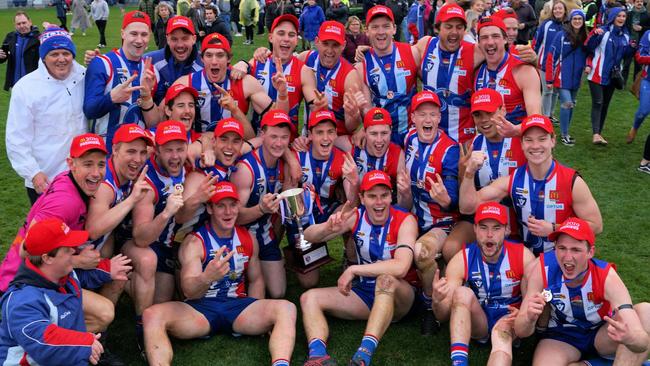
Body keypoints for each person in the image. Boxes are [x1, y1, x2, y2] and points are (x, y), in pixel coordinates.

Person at [0, 133, 127, 366]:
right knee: (97, 313)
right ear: (71, 164)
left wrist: (106, 268)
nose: (97, 172)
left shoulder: (70, 180)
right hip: (24, 281)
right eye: (88, 164)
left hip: (46, 273)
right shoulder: (65, 202)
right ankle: (85, 347)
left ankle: (88, 347)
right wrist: (79, 261)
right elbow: (28, 250)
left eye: (100, 164)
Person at [142, 182, 297, 366]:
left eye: (232, 205)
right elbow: (189, 291)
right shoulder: (194, 242)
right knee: (152, 314)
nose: (228, 212)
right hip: (201, 309)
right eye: (220, 206)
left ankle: (281, 364)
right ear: (209, 208)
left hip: (238, 307)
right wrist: (207, 277)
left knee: (287, 308)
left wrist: (257, 311)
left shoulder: (249, 238)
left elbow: (256, 280)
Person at [300, 170, 418, 365]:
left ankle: (362, 356)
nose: (379, 202)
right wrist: (327, 228)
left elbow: (401, 267)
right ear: (362, 199)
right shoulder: (356, 216)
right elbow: (309, 236)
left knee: (386, 279)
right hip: (366, 293)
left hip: (401, 295)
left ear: (391, 196)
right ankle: (317, 355)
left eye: (384, 195)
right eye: (372, 196)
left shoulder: (405, 219)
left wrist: (353, 270)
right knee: (309, 297)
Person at [459, 114, 603, 255]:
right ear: (521, 144)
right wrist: (469, 172)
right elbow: (467, 207)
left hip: (564, 260)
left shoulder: (572, 182)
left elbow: (596, 226)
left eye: (542, 139)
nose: (535, 146)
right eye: (529, 140)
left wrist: (555, 229)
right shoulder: (512, 180)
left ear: (553, 141)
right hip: (526, 259)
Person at [514, 217, 650, 365]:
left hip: (601, 334)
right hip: (562, 337)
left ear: (590, 252)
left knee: (646, 312)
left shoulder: (607, 277)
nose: (567, 257)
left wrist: (631, 339)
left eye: (576, 250)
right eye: (562, 248)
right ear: (555, 248)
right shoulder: (542, 270)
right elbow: (521, 331)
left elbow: (641, 341)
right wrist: (529, 318)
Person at [0, 218, 131, 366]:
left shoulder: (61, 274)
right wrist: (85, 343)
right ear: (48, 258)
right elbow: (43, 342)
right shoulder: (22, 301)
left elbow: (82, 277)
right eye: (67, 248)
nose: (74, 251)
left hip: (67, 357)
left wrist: (107, 270)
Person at [431, 201, 534, 366]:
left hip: (509, 320)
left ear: (507, 230)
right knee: (461, 293)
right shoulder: (462, 258)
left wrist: (522, 314)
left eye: (496, 228)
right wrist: (437, 301)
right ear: (475, 229)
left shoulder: (523, 256)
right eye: (483, 227)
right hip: (480, 321)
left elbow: (533, 298)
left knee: (502, 337)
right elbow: (442, 315)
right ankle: (458, 363)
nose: (489, 235)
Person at [396, 91, 459, 335]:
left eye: (433, 114)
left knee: (421, 252)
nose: (428, 119)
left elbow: (453, 202)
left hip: (440, 223)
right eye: (422, 114)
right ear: (413, 118)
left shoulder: (449, 149)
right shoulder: (409, 138)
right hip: (413, 217)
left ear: (439, 118)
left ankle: (430, 308)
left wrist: (446, 200)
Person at [6, 27, 86, 205]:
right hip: (45, 179)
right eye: (54, 54)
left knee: (84, 230)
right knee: (50, 230)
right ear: (43, 57)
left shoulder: (83, 77)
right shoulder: (26, 88)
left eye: (66, 53)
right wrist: (33, 172)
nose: (61, 59)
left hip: (83, 175)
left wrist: (96, 62)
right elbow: (16, 138)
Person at [85, 124, 154, 305]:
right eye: (131, 151)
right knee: (118, 270)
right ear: (115, 150)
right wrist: (131, 200)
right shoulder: (105, 186)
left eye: (142, 152)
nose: (138, 159)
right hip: (72, 259)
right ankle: (97, 322)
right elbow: (93, 230)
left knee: (119, 266)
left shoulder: (122, 175)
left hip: (89, 251)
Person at [230, 110, 295, 299]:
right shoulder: (245, 169)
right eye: (273, 136)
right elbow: (234, 217)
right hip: (240, 234)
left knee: (278, 291)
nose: (279, 143)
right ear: (262, 135)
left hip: (264, 232)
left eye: (284, 137)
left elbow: (288, 209)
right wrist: (261, 209)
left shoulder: (285, 164)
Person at [174, 32, 282, 134]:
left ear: (229, 58)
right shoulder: (186, 83)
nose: (214, 61)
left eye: (220, 55)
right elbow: (164, 117)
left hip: (236, 149)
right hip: (200, 149)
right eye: (209, 55)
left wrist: (283, 94)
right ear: (202, 59)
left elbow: (277, 118)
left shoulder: (246, 83)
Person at [84, 10, 157, 149]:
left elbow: (153, 123)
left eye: (144, 34)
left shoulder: (151, 70)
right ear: (123, 33)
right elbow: (89, 111)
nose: (139, 40)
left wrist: (147, 98)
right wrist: (111, 98)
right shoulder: (103, 64)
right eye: (134, 34)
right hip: (106, 154)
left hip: (138, 156)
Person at [354, 5, 422, 145]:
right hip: (383, 139)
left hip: (414, 135)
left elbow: (428, 85)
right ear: (366, 31)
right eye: (375, 27)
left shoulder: (412, 52)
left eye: (386, 26)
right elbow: (367, 108)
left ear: (394, 29)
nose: (381, 32)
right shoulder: (362, 66)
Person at [474, 16, 542, 125]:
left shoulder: (524, 71)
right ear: (479, 42)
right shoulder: (476, 69)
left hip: (515, 139)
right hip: (485, 140)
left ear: (505, 39)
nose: (490, 42)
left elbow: (535, 120)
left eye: (495, 36)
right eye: (484, 37)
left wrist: (513, 131)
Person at [586, 7, 635, 145]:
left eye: (623, 16)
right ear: (613, 17)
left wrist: (631, 47)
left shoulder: (625, 36)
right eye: (618, 16)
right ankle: (595, 134)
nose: (621, 18)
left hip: (613, 76)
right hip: (597, 73)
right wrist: (595, 35)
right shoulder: (603, 32)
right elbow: (588, 47)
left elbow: (626, 56)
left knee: (605, 105)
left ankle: (598, 133)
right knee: (598, 102)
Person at [545, 9, 588, 146]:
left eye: (579, 19)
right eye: (574, 19)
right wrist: (549, 79)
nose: (577, 21)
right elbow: (551, 56)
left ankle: (566, 132)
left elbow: (591, 52)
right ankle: (564, 135)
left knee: (572, 105)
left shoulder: (585, 37)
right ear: (570, 20)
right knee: (567, 104)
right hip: (562, 77)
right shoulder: (561, 36)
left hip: (576, 78)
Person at [534, 0, 567, 122]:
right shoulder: (546, 24)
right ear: (552, 11)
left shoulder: (567, 26)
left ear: (564, 11)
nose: (557, 11)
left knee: (556, 91)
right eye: (555, 9)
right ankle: (545, 116)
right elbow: (536, 41)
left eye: (560, 9)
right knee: (547, 90)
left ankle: (551, 114)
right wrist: (533, 56)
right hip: (544, 63)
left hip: (560, 65)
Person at [0, 11, 40, 91]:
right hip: (15, 84)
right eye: (18, 24)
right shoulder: (10, 37)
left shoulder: (39, 38)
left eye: (24, 23)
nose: (21, 26)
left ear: (30, 22)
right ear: (15, 25)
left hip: (34, 84)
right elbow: (3, 57)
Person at [624, 0, 650, 83]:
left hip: (640, 43)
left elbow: (649, 29)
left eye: (641, 1)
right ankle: (622, 83)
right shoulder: (629, 14)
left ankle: (635, 84)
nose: (639, 3)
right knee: (626, 64)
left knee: (638, 66)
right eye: (638, 1)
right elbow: (624, 26)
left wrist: (642, 28)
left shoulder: (647, 15)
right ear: (634, 3)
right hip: (629, 43)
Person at [632, 28, 650, 143]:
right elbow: (639, 56)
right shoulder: (648, 34)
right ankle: (635, 127)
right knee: (643, 111)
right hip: (648, 80)